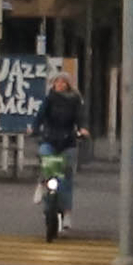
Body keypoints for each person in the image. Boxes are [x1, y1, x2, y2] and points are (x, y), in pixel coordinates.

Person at [30, 73, 89, 230]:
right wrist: (34, 129)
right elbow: (40, 116)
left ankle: (68, 214)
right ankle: (42, 183)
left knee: (67, 179)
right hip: (50, 139)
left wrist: (83, 130)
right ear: (53, 83)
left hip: (68, 142)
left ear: (69, 84)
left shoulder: (75, 100)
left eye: (63, 82)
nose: (60, 84)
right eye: (57, 81)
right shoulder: (49, 99)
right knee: (44, 155)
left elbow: (80, 117)